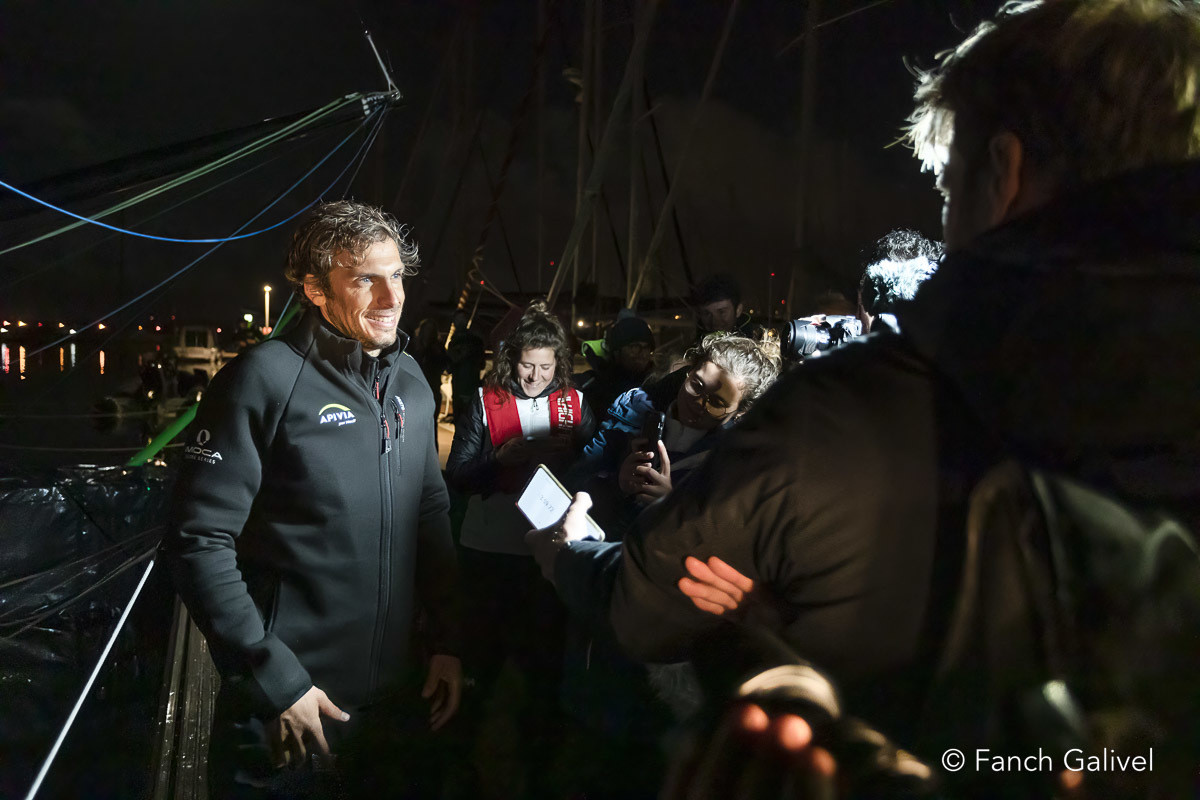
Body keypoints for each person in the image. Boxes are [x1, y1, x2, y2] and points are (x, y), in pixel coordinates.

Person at [531, 0, 1200, 794]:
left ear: (1003, 174)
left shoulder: (845, 416)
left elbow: (646, 606)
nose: (948, 217)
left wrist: (573, 551)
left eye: (949, 185)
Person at [161, 201, 462, 799]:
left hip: (398, 701)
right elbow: (197, 538)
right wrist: (276, 682)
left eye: (397, 275)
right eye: (364, 279)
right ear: (315, 290)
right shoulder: (264, 378)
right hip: (292, 709)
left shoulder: (411, 382)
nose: (390, 296)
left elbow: (430, 513)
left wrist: (450, 641)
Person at [444, 299, 596, 797]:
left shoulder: (573, 404)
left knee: (543, 671)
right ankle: (461, 763)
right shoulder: (487, 400)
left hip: (546, 560)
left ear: (560, 365)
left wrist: (575, 461)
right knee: (480, 667)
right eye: (526, 366)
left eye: (545, 367)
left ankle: (539, 769)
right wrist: (498, 459)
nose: (534, 377)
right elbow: (459, 477)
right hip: (488, 551)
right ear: (512, 361)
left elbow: (594, 470)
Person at [575, 312, 657, 417]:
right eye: (634, 347)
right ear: (617, 351)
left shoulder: (657, 386)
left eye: (646, 347)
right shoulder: (593, 387)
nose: (642, 353)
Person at [691, 273, 762, 344]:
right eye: (706, 313)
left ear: (738, 310)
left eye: (721, 312)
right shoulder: (693, 347)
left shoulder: (758, 344)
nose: (714, 322)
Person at [444, 309, 485, 423]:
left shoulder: (471, 341)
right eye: (458, 319)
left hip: (468, 386)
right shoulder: (473, 341)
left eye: (462, 319)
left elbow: (449, 366)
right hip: (462, 386)